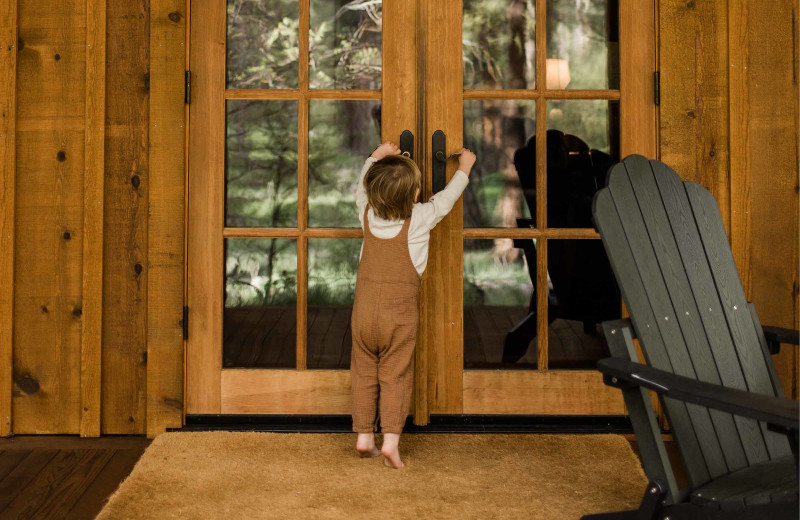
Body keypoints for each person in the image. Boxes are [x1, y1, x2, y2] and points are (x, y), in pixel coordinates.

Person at [351, 141, 475, 468]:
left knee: (363, 372)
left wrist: (375, 156)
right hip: (399, 319)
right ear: (416, 194)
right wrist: (464, 168)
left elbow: (360, 187)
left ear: (372, 194)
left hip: (363, 315)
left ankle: (364, 436)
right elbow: (446, 199)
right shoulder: (419, 218)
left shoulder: (365, 212)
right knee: (395, 375)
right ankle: (390, 441)